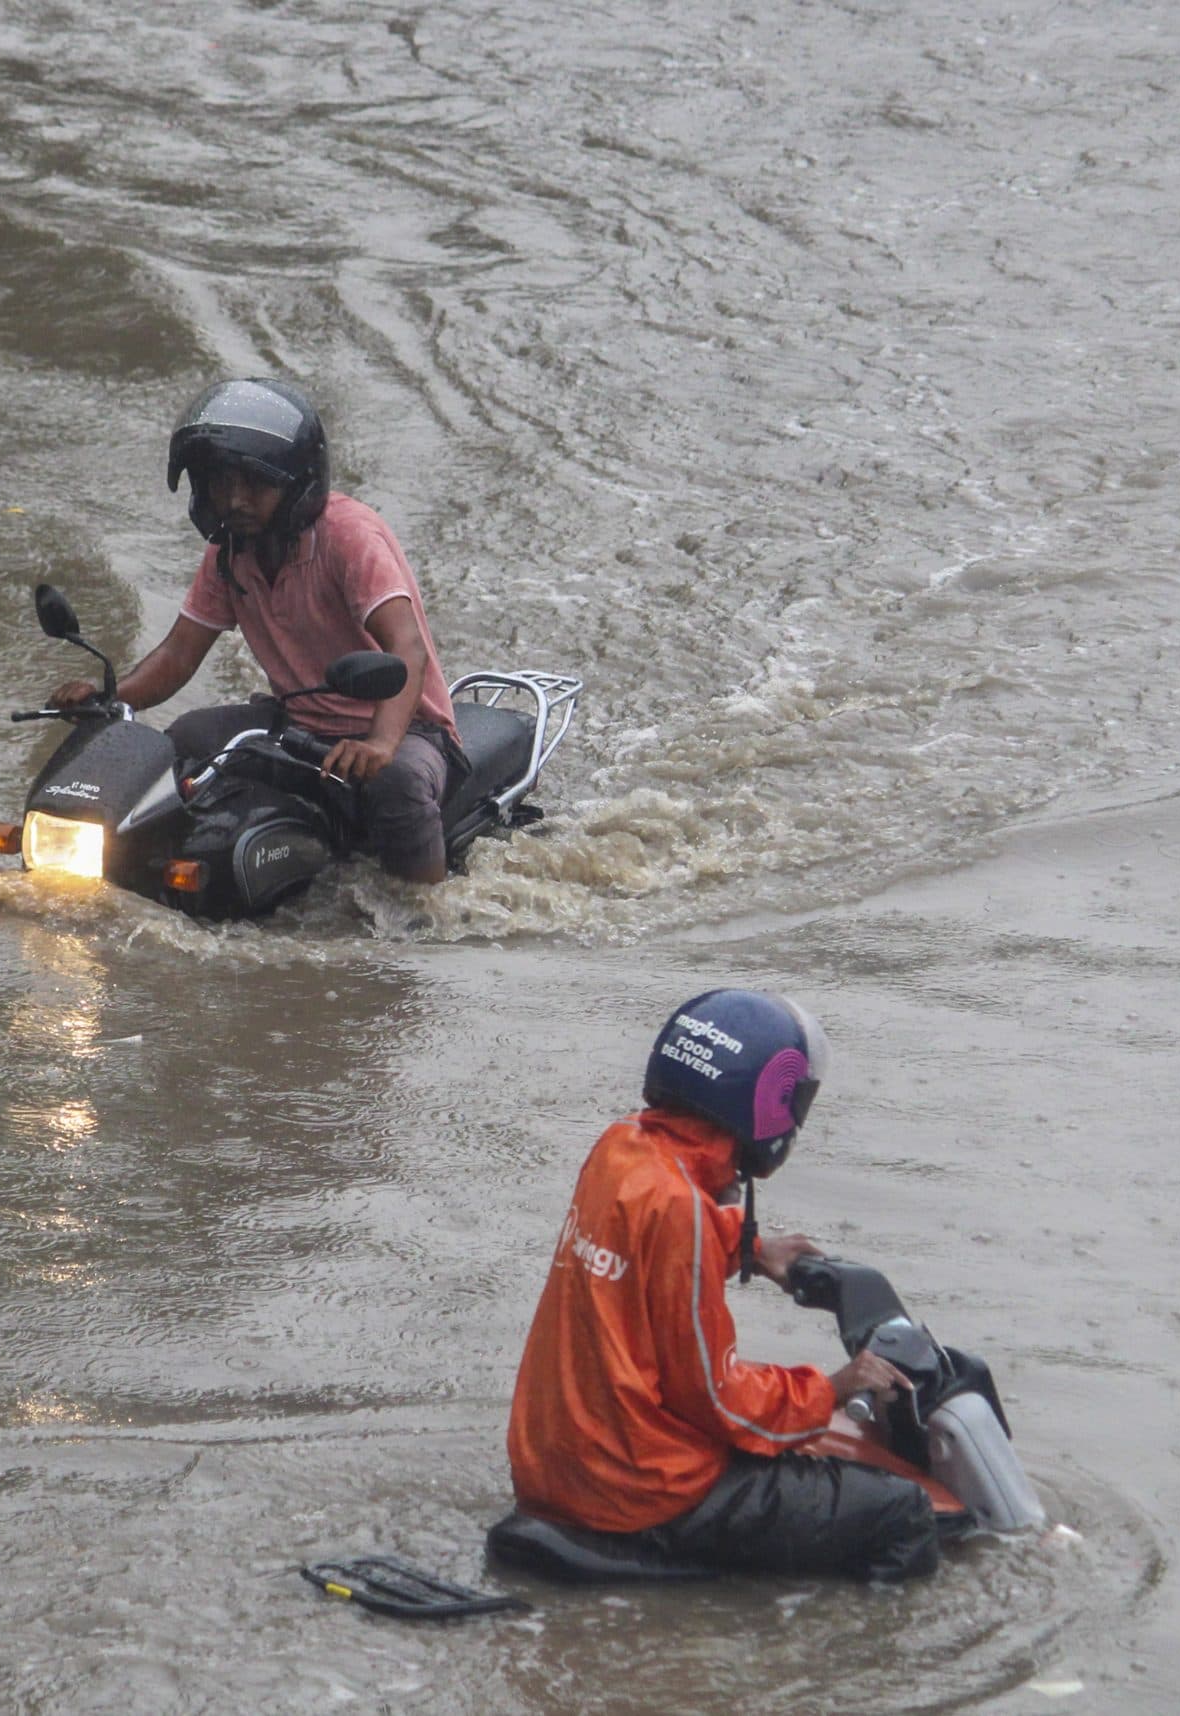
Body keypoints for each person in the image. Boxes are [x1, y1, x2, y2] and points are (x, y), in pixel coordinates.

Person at [504, 989, 942, 1582]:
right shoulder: (682, 1208)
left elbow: (647, 1244)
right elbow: (713, 1396)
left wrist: (750, 1247)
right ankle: (807, 1639)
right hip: (638, 1489)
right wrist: (833, 1388)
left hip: (555, 1468)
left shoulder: (620, 1149)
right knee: (904, 1514)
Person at [47, 378, 464, 883]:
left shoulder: (349, 536)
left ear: (297, 484)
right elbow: (179, 655)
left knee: (397, 784)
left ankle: (426, 912)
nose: (236, 500)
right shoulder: (230, 554)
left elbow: (407, 647)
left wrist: (380, 743)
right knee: (186, 739)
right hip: (300, 722)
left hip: (404, 729)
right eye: (222, 483)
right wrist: (109, 699)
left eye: (255, 484)